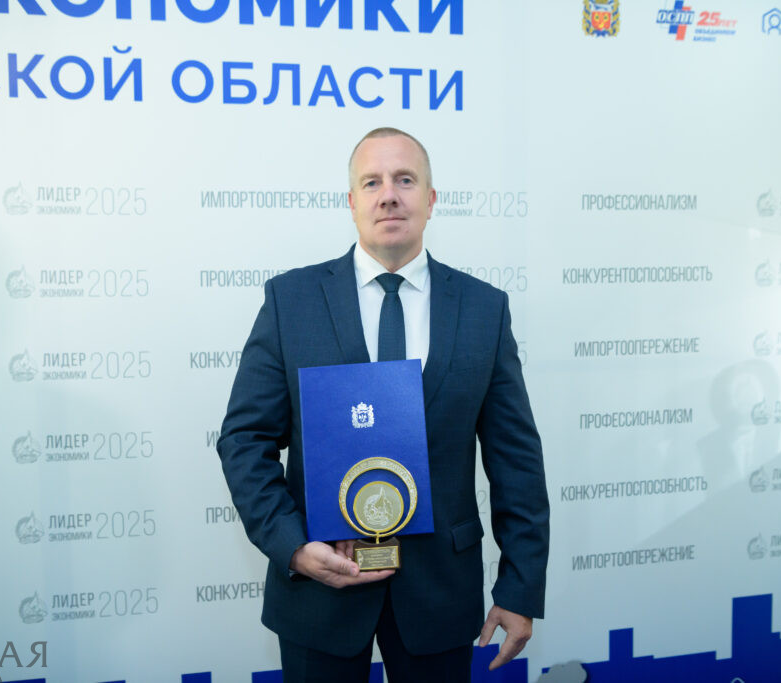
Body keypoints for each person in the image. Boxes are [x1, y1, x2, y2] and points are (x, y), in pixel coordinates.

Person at [217, 127, 550, 682]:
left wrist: (520, 587)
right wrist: (293, 546)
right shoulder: (290, 301)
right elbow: (244, 440)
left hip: (440, 593)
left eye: (405, 180)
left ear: (431, 198)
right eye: (371, 182)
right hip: (319, 591)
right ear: (351, 201)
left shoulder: (483, 309)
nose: (389, 195)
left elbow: (515, 460)